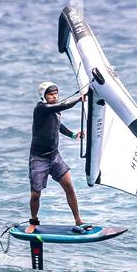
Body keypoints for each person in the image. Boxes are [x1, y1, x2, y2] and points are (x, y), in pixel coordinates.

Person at [27, 81, 90, 233]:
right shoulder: (41, 109)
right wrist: (80, 98)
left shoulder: (54, 111)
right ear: (43, 96)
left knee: (69, 186)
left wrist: (73, 135)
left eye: (56, 94)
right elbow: (63, 106)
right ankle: (34, 221)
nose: (54, 97)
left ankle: (78, 220)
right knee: (35, 194)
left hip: (54, 157)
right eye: (51, 94)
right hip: (38, 158)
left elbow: (58, 125)